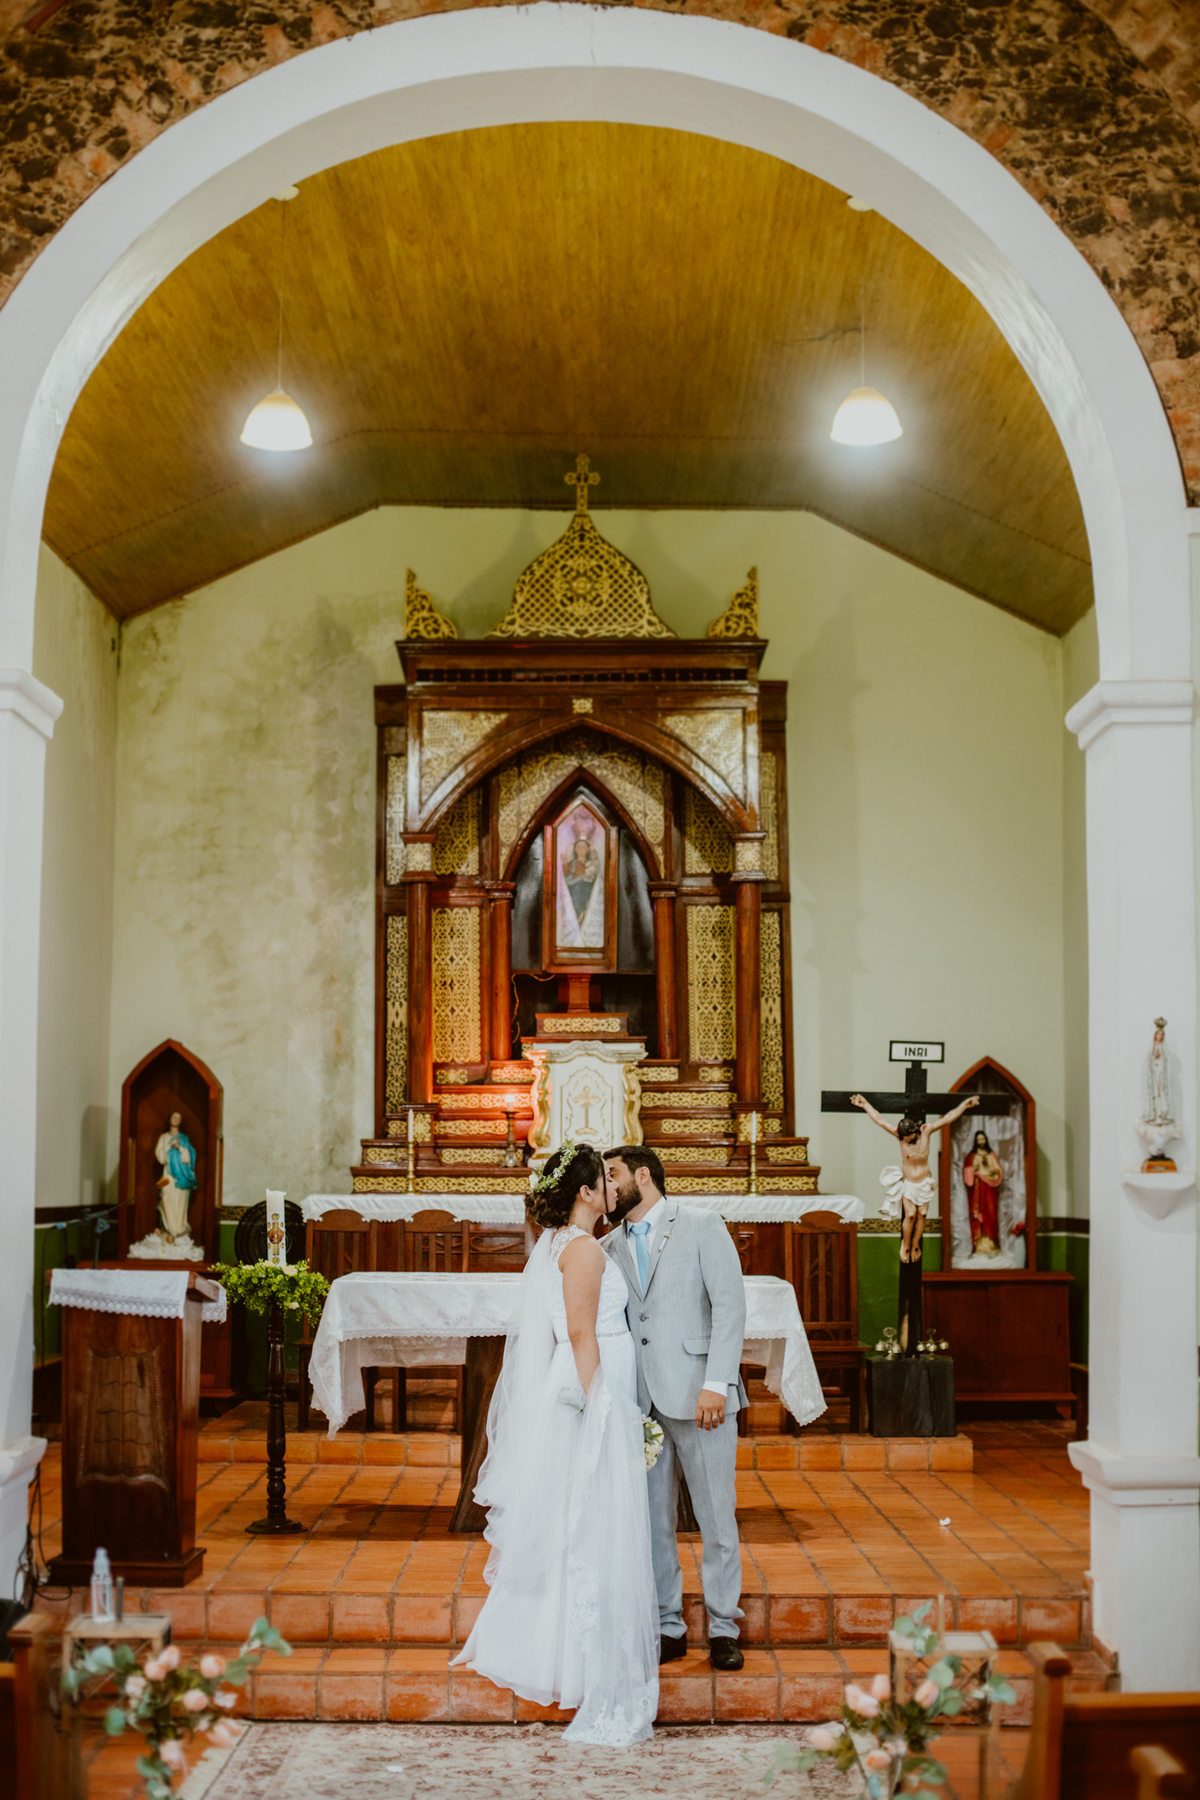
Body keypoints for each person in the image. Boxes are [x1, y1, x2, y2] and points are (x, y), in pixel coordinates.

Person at [451, 1142, 658, 1746]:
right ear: (586, 1192)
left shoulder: (561, 1244)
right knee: (588, 1521)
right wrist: (604, 1410)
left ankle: (560, 1655)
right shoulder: (584, 1249)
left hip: (579, 1383)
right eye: (605, 1180)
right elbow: (580, 1333)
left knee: (577, 1519)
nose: (614, 1187)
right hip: (589, 1388)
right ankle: (582, 1664)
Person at [602, 1146, 748, 1673]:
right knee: (652, 1522)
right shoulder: (608, 1245)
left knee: (716, 1517)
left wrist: (716, 1383)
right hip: (640, 1402)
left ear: (642, 1175)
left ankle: (724, 1626)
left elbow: (729, 1307)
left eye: (613, 1175)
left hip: (700, 1395)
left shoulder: (702, 1225)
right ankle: (668, 1625)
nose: (608, 1186)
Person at [850, 1092, 981, 1263]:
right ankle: (905, 1243)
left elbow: (948, 1118)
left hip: (924, 1181)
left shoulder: (926, 1131)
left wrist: (964, 1105)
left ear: (914, 1131)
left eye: (908, 1137)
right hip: (909, 1182)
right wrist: (865, 1104)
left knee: (923, 1214)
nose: (905, 1140)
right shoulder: (900, 1136)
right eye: (903, 1137)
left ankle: (915, 1244)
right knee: (911, 1214)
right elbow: (880, 1120)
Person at [963, 1129, 1004, 1257]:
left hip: (990, 1190)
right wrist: (974, 1171)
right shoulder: (972, 1156)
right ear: (976, 1141)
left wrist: (991, 1172)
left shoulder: (992, 1155)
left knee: (991, 1215)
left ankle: (992, 1246)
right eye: (979, 1139)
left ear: (986, 1140)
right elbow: (968, 1173)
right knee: (978, 1216)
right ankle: (979, 1246)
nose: (981, 1141)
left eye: (983, 1139)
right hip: (977, 1190)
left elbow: (998, 1171)